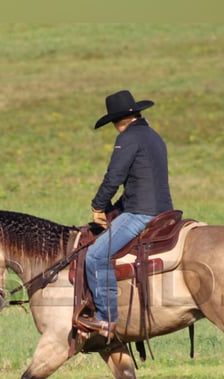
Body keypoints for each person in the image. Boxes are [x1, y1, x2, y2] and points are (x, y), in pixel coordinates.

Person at [78, 90, 174, 339]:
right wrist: (113, 209)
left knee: (96, 257)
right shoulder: (152, 136)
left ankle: (106, 319)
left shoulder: (128, 138)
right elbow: (141, 182)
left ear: (117, 120)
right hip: (163, 209)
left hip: (141, 213)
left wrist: (98, 206)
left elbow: (114, 177)